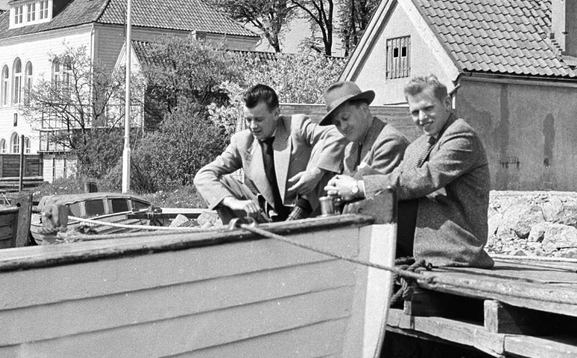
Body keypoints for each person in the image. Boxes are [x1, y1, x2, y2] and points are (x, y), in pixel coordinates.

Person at [327, 73, 492, 267]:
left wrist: (357, 187)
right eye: (415, 112)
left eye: (428, 108)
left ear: (447, 104)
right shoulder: (419, 144)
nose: (422, 118)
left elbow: (425, 178)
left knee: (370, 209)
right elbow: (398, 177)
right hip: (422, 238)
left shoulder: (461, 136)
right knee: (368, 209)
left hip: (454, 244)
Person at [194, 83, 344, 223]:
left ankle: (295, 220)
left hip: (305, 210)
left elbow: (337, 134)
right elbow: (203, 176)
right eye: (248, 119)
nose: (253, 126)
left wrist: (315, 173)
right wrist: (232, 202)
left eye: (259, 119)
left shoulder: (296, 126)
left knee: (324, 151)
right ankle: (244, 236)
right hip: (265, 218)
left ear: (276, 113)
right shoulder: (242, 141)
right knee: (223, 182)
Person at [319, 80, 407, 176]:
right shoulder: (351, 148)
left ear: (364, 110)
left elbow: (376, 188)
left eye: (345, 118)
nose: (343, 127)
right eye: (337, 123)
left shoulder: (389, 143)